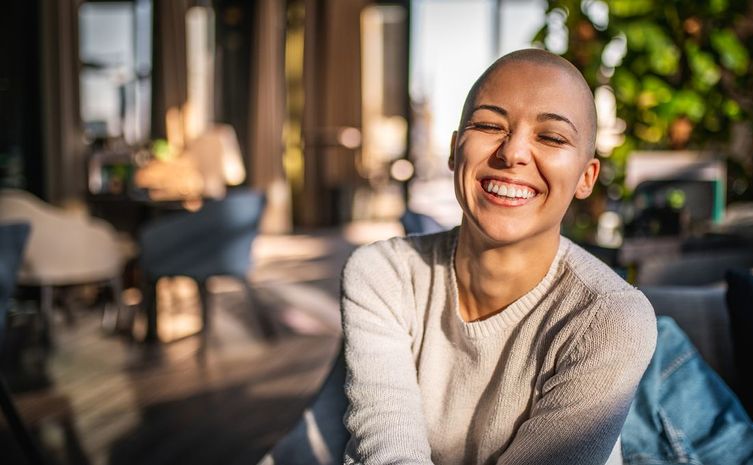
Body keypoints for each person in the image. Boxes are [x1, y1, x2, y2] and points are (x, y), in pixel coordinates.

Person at [265, 48, 657, 465]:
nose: (513, 154)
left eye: (551, 136)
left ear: (585, 177)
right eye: (490, 125)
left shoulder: (611, 319)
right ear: (454, 152)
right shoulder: (383, 274)